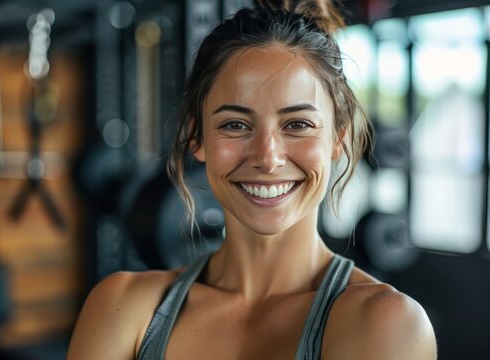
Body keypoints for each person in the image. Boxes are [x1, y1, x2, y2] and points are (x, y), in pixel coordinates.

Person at [67, 0, 438, 358]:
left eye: (297, 125)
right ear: (197, 138)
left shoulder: (385, 322)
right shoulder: (122, 308)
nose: (267, 157)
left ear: (339, 137)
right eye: (235, 124)